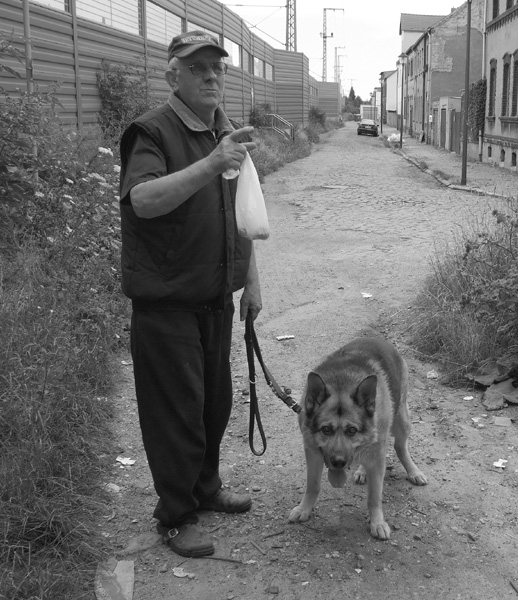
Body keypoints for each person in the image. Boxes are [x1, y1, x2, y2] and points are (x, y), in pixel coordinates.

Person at [118, 31, 262, 558]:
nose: (210, 76)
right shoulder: (150, 132)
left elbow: (242, 214)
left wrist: (253, 281)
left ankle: (205, 488)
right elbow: (143, 199)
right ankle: (176, 516)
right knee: (175, 412)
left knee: (213, 405)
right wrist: (210, 164)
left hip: (214, 300)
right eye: (197, 67)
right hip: (166, 303)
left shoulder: (222, 131)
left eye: (216, 68)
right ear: (172, 74)